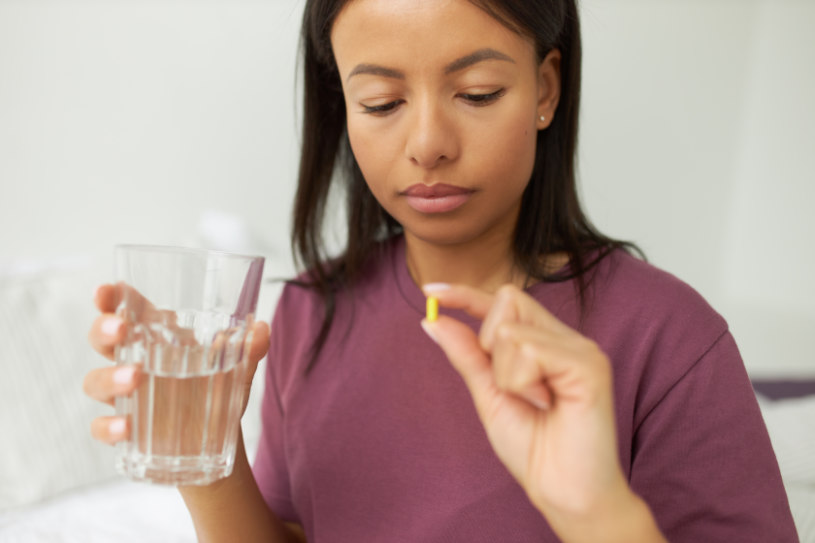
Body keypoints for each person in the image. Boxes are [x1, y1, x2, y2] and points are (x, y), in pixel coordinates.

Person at [84, 0, 799, 541]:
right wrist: (205, 457)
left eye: (477, 93)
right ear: (343, 109)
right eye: (382, 103)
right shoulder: (308, 312)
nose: (426, 143)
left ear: (546, 90)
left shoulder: (667, 337)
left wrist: (597, 512)